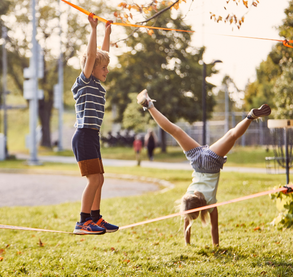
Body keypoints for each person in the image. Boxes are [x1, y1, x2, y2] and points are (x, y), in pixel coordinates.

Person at [137, 89, 271, 245]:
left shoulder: (209, 204)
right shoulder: (188, 197)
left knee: (232, 135)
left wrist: (215, 246)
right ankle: (150, 105)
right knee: (175, 130)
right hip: (196, 160)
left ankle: (250, 117)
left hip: (211, 163)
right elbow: (188, 218)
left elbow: (214, 228)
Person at [71, 14, 118, 235]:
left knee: (99, 179)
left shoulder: (98, 83)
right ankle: (83, 222)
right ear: (91, 69)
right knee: (94, 180)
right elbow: (92, 56)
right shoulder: (85, 81)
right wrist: (94, 28)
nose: (106, 70)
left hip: (93, 135)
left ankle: (95, 218)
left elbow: (101, 56)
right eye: (103, 68)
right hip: (83, 135)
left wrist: (107, 32)